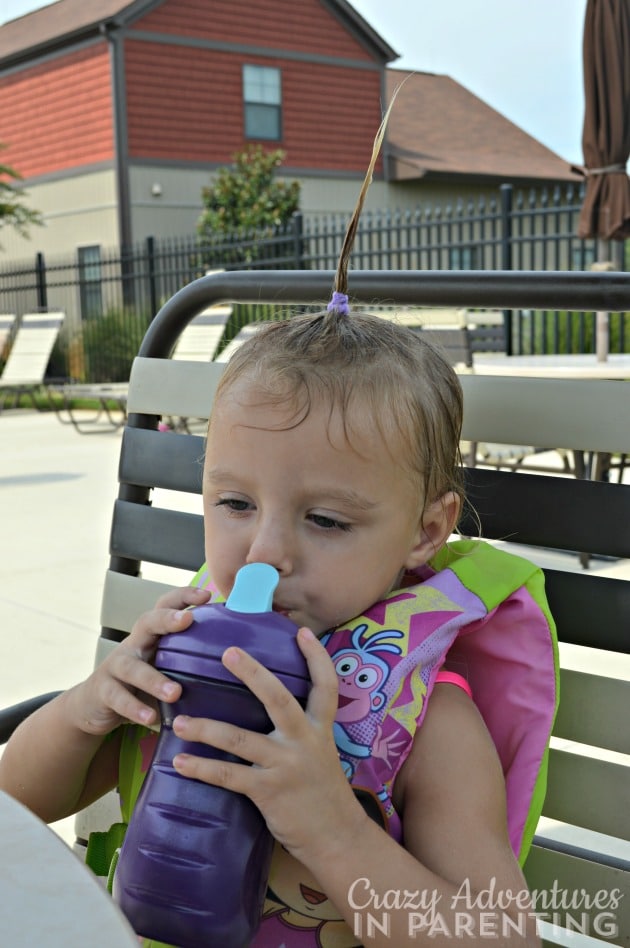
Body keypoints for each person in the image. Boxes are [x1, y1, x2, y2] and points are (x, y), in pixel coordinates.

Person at [0, 102, 555, 948]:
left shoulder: (431, 722)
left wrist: (330, 825)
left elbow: (498, 936)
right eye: (232, 504)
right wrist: (87, 710)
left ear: (424, 531)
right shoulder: (185, 651)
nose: (264, 553)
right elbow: (19, 805)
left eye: (327, 519)